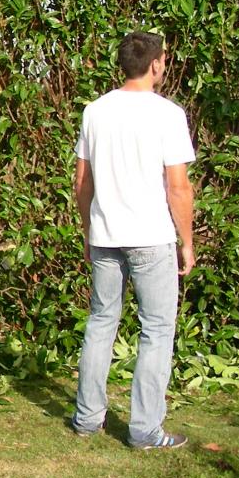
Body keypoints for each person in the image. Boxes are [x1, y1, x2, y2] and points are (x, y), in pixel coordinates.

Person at [71, 30, 196, 450]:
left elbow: (81, 182)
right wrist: (187, 241)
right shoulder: (168, 115)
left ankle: (87, 419)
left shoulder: (95, 111)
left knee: (101, 323)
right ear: (156, 63)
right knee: (157, 330)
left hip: (106, 236)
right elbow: (178, 187)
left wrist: (89, 231)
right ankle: (144, 430)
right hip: (150, 239)